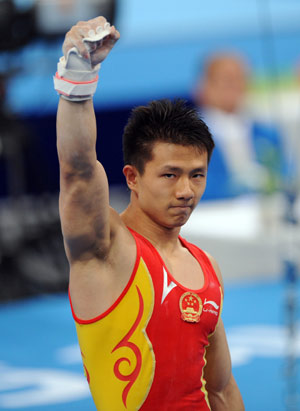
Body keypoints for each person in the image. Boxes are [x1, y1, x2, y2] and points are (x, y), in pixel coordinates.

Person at [54, 16, 244, 410]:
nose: (186, 191)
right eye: (170, 175)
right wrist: (78, 77)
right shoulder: (105, 250)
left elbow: (222, 389)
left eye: (197, 175)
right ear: (133, 178)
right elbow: (77, 169)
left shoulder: (206, 265)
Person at [193, 53, 285, 199]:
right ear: (204, 86)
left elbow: (285, 176)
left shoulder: (268, 134)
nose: (233, 86)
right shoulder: (189, 139)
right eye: (225, 80)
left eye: (239, 79)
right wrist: (234, 187)